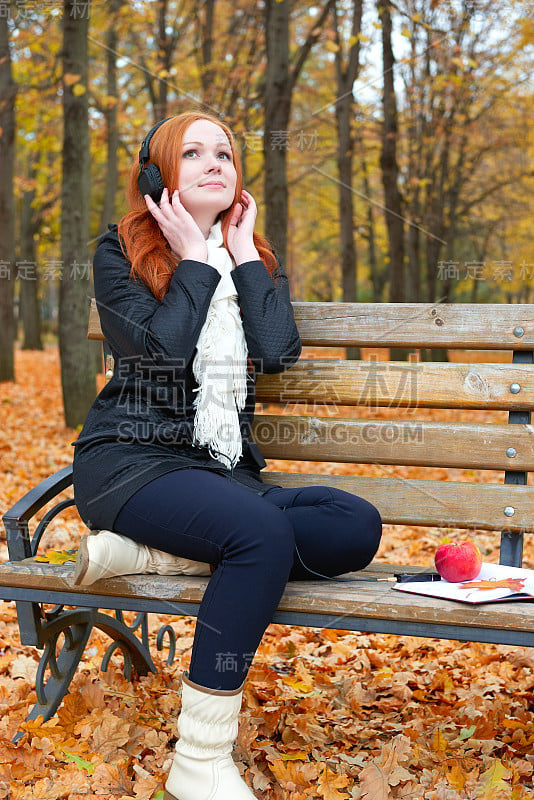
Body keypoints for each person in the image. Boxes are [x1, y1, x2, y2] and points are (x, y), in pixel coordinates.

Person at [72, 111, 382, 800]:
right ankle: (201, 757)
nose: (216, 163)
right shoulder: (121, 247)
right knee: (260, 534)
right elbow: (160, 353)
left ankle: (152, 554)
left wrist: (239, 257)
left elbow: (275, 354)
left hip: (219, 471)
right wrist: (191, 260)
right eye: (192, 153)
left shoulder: (257, 257)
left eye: (225, 153)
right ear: (156, 176)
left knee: (354, 525)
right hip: (130, 460)